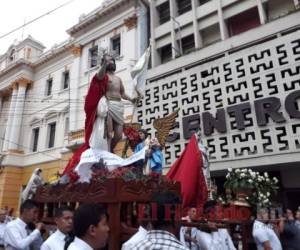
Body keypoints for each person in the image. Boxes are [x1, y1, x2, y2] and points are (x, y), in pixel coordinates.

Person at [95, 54, 137, 152]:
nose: (112, 63)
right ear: (104, 63)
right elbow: (99, 76)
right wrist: (104, 64)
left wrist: (131, 99)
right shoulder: (103, 76)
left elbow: (122, 93)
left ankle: (110, 150)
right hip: (108, 105)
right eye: (109, 61)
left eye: (113, 61)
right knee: (109, 133)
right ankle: (107, 153)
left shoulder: (118, 78)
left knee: (118, 135)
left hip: (119, 106)